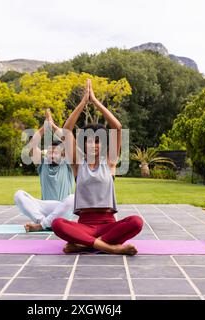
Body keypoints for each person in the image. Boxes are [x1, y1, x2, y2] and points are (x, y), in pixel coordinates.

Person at [51, 79, 143, 255]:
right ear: (83, 144)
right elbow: (66, 130)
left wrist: (95, 101)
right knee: (57, 224)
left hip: (108, 226)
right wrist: (83, 102)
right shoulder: (78, 164)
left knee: (136, 222)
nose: (93, 145)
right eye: (89, 141)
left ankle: (84, 245)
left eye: (98, 141)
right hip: (84, 225)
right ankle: (108, 248)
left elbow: (117, 127)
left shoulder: (110, 163)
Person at [14, 109, 76, 232]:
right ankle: (43, 222)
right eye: (50, 152)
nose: (51, 154)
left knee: (73, 198)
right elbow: (32, 145)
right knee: (19, 195)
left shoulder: (68, 164)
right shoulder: (42, 164)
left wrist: (52, 125)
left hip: (62, 207)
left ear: (63, 154)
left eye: (55, 152)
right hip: (45, 208)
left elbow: (68, 140)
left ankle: (43, 224)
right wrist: (45, 126)